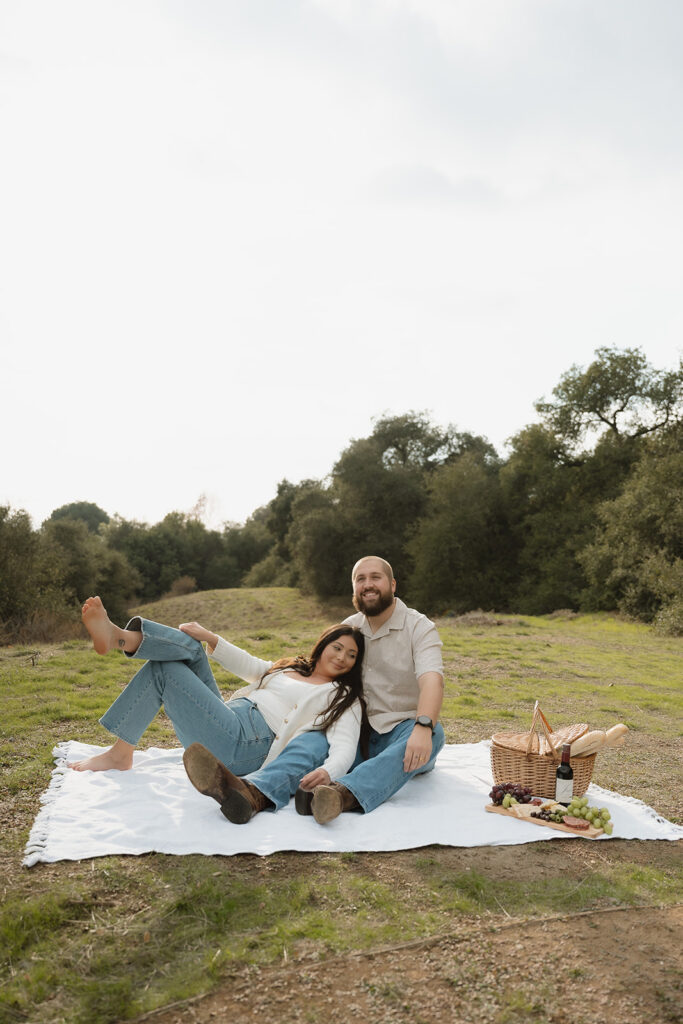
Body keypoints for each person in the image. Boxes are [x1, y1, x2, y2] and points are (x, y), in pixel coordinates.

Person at [188, 555, 445, 825]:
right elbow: (321, 673)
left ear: (392, 584)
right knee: (310, 740)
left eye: (375, 577)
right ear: (354, 588)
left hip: (403, 734)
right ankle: (253, 793)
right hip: (355, 730)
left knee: (435, 733)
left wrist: (423, 726)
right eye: (360, 579)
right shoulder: (351, 628)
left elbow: (432, 680)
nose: (368, 584)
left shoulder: (419, 627)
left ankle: (342, 795)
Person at [69, 596, 365, 824]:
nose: (342, 657)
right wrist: (209, 637)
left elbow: (345, 746)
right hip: (229, 718)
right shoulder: (293, 668)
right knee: (191, 647)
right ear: (323, 645)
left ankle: (120, 750)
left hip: (245, 744)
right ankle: (119, 637)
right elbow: (250, 665)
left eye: (351, 655)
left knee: (166, 671)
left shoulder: (342, 697)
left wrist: (328, 772)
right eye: (338, 647)